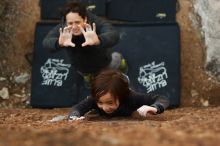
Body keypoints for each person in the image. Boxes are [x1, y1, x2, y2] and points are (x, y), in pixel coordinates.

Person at [42, 1, 127, 82]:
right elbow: (46, 42)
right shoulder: (63, 29)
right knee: (87, 76)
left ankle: (121, 65)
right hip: (80, 65)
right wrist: (58, 43)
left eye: (77, 22)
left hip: (103, 61)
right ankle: (88, 77)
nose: (74, 27)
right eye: (70, 23)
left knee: (116, 60)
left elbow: (114, 35)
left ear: (85, 19)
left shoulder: (95, 22)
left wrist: (99, 40)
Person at [68, 69, 169, 120]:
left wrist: (154, 107)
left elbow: (162, 98)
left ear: (121, 97)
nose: (104, 107)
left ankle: (121, 67)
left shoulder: (132, 97)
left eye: (110, 102)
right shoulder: (94, 99)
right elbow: (77, 108)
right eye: (100, 102)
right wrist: (74, 116)